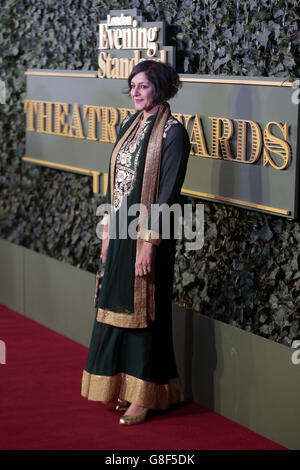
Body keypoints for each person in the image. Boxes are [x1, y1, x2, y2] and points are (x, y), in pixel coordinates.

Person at [81, 60, 191, 425]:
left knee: (146, 316)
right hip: (122, 233)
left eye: (143, 86)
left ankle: (146, 396)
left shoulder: (173, 132)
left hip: (149, 236)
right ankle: (127, 389)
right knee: (118, 310)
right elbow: (117, 185)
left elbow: (167, 194)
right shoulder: (130, 125)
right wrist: (109, 233)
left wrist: (148, 245)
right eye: (132, 86)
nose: (135, 92)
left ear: (159, 87)